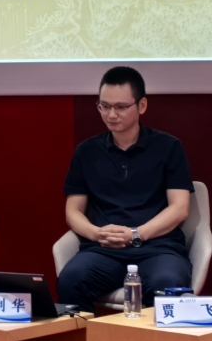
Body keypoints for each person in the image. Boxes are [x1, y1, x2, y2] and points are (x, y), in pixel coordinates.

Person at [56, 66, 193, 312]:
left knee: (167, 283)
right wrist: (97, 234)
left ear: (142, 106)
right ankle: (88, 338)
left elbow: (180, 208)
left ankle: (150, 340)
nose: (111, 114)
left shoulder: (168, 147)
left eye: (120, 107)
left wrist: (137, 234)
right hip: (104, 251)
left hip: (157, 248)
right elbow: (73, 211)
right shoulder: (87, 152)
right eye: (104, 106)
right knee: (71, 280)